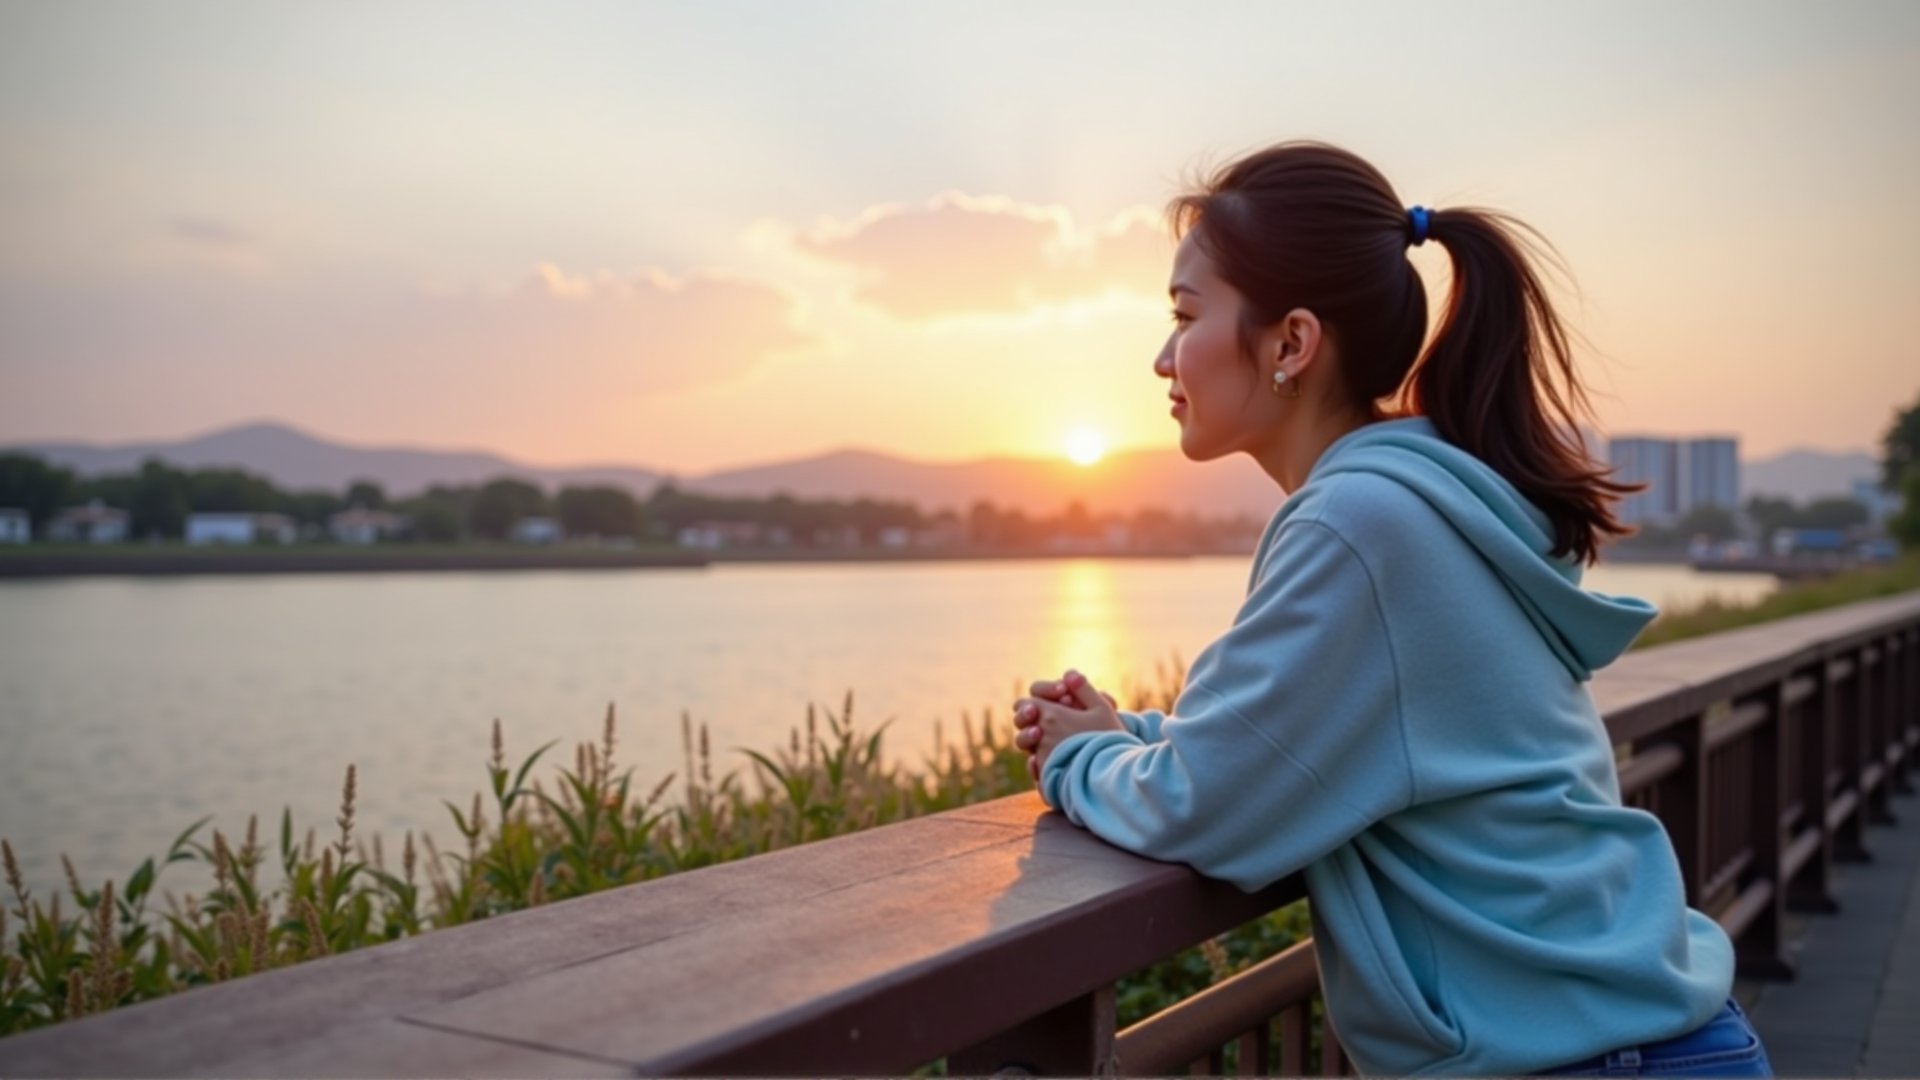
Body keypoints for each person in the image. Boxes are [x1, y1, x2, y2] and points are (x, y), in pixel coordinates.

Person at [1008, 142, 1771, 1078]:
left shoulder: (1359, 523)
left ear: (1291, 343)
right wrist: (1132, 731)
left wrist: (1081, 757)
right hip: (1642, 1037)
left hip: (1586, 1059)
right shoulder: (1418, 499)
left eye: (1185, 314)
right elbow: (1291, 740)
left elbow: (1210, 806)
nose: (1164, 356)